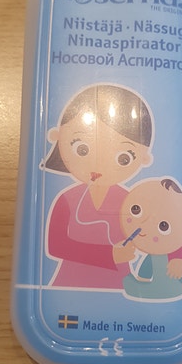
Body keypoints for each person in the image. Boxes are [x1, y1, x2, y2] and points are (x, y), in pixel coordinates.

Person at [43, 84, 154, 289]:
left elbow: (152, 233)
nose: (100, 165)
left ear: (144, 158)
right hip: (70, 285)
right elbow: (56, 246)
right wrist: (109, 255)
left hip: (121, 286)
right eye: (82, 148)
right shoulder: (67, 199)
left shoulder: (131, 202)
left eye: (123, 157)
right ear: (57, 137)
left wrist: (177, 257)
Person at [118, 177, 182, 300]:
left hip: (173, 291)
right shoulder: (151, 257)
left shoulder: (177, 260)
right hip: (153, 290)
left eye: (163, 226)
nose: (143, 225)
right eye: (136, 209)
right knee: (130, 282)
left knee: (130, 283)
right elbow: (143, 277)